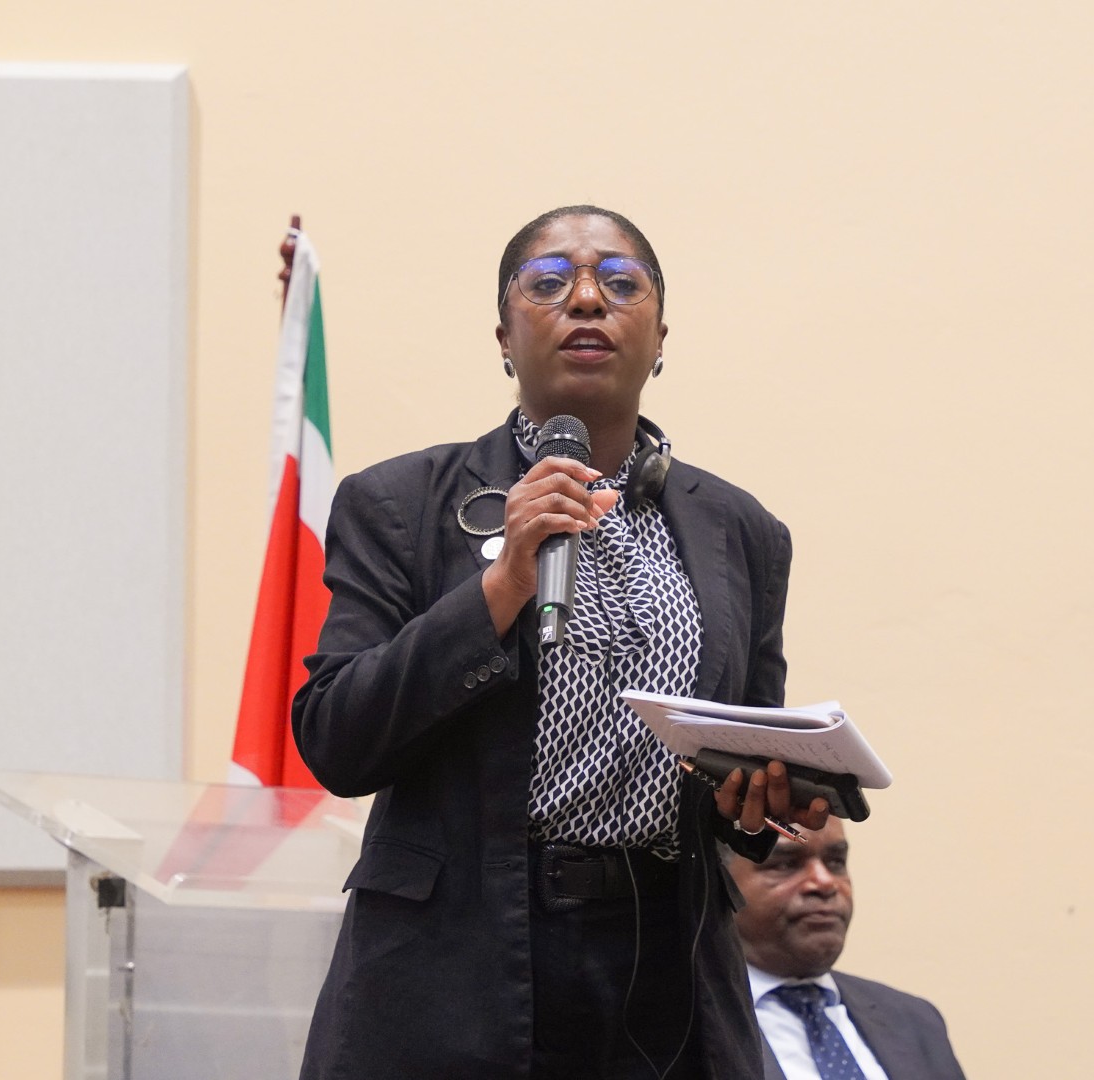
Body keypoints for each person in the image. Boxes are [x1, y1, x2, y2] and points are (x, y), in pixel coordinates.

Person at [292, 204, 826, 1080]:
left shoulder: (742, 532)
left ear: (660, 338)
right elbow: (336, 738)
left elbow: (741, 745)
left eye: (621, 282)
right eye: (547, 283)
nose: (585, 299)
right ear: (504, 338)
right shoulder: (400, 503)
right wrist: (501, 585)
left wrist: (759, 800)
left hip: (668, 966)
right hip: (457, 967)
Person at [727, 819, 967, 1080]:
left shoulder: (916, 1021)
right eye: (786, 864)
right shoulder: (696, 1026)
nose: (824, 882)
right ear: (722, 882)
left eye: (835, 862)